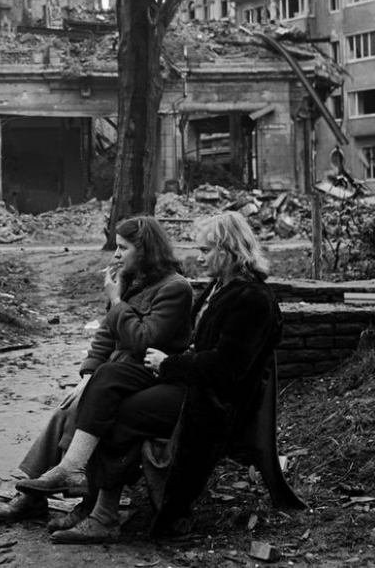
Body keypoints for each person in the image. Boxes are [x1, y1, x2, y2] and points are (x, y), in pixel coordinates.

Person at [41, 210, 283, 545]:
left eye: (205, 250)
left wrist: (170, 365)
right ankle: (93, 505)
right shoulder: (220, 287)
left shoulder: (252, 298)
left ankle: (100, 513)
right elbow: (198, 347)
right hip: (194, 385)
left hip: (216, 400)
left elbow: (227, 368)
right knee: (110, 388)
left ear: (227, 251)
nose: (199, 258)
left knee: (120, 413)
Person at [0, 215, 192, 528]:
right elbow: (107, 335)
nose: (116, 255)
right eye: (116, 247)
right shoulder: (135, 282)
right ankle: (32, 496)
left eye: (124, 248)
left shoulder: (174, 288)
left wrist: (117, 300)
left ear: (146, 250)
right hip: (119, 372)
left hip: (148, 375)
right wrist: (88, 374)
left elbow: (143, 339)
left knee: (86, 413)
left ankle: (83, 497)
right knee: (65, 409)